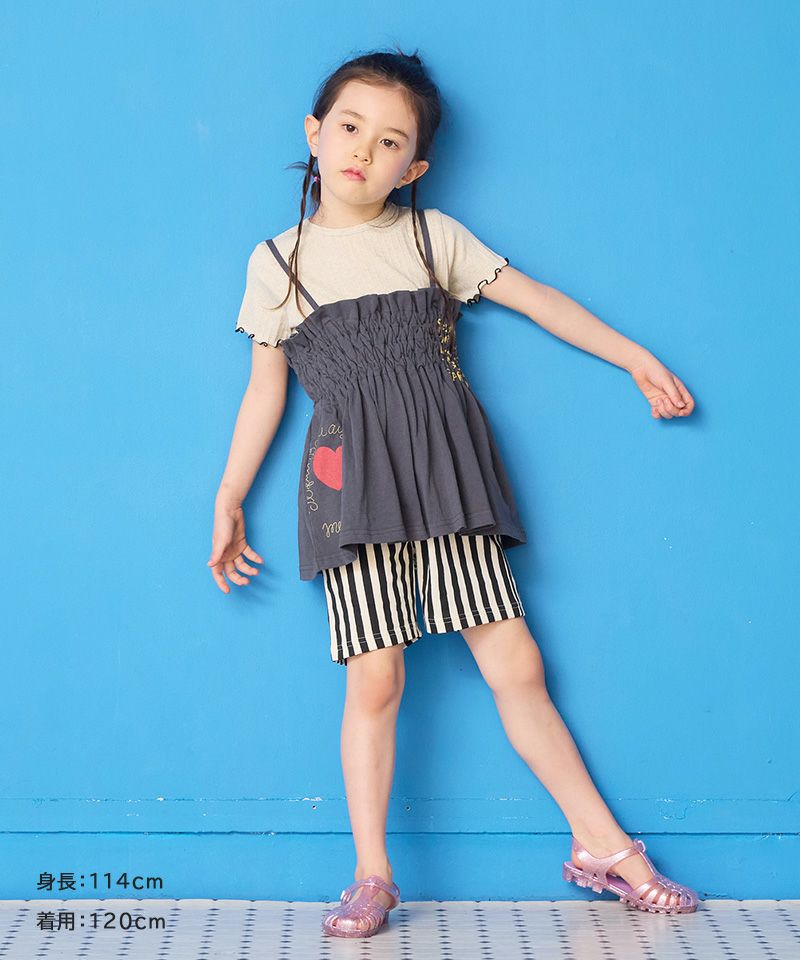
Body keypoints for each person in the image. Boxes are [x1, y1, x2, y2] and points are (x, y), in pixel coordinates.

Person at [208, 46, 699, 938]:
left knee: (516, 664)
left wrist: (636, 358)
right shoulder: (276, 261)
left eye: (390, 141)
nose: (364, 150)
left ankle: (603, 845)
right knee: (377, 678)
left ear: (415, 167)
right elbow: (264, 393)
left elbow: (540, 300)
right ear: (315, 134)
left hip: (446, 478)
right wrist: (230, 494)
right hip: (351, 492)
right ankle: (371, 873)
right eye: (349, 127)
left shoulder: (434, 238)